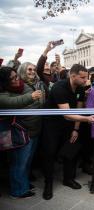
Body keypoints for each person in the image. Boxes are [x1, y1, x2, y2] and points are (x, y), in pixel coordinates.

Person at [41, 64, 94, 200]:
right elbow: (66, 114)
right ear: (73, 76)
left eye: (87, 77)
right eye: (83, 77)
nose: (85, 80)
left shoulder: (81, 89)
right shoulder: (59, 87)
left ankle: (68, 179)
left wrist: (76, 129)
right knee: (50, 153)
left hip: (69, 124)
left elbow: (77, 109)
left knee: (71, 150)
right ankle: (48, 183)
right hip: (52, 125)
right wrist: (87, 119)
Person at [0, 66, 43, 198]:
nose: (16, 80)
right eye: (11, 79)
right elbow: (11, 102)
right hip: (20, 132)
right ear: (3, 82)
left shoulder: (24, 86)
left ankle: (22, 183)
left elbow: (36, 103)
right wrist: (30, 98)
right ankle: (18, 191)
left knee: (27, 162)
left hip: (33, 130)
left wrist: (29, 100)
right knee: (19, 162)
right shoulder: (2, 93)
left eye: (16, 76)